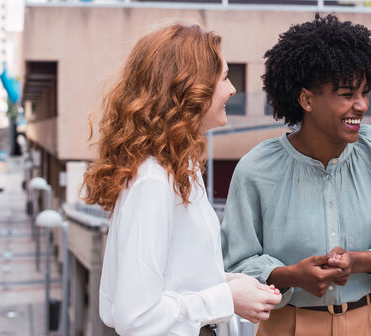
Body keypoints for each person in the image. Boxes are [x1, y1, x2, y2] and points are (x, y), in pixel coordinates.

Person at [221, 14, 371, 335]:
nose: (362, 105)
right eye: (346, 94)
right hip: (287, 325)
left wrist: (359, 261)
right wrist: (291, 275)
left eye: (365, 92)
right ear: (306, 99)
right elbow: (234, 265)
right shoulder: (256, 168)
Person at [82, 23, 282, 336]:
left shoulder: (177, 170)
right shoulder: (153, 181)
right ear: (188, 87)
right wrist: (226, 297)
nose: (231, 90)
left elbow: (176, 281)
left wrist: (230, 284)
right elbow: (136, 316)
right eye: (225, 78)